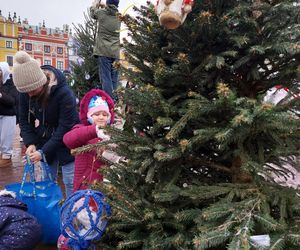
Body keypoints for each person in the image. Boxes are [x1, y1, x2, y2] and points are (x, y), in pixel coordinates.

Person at [12, 51, 80, 198]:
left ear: (41, 82)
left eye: (32, 90)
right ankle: (51, 211)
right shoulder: (25, 91)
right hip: (45, 135)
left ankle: (72, 212)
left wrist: (42, 151)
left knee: (70, 181)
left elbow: (65, 127)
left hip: (69, 139)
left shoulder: (64, 94)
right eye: (25, 91)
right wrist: (30, 143)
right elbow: (24, 120)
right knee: (46, 181)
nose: (29, 95)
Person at [63, 89, 122, 191]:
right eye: (97, 114)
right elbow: (68, 140)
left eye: (104, 115)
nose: (101, 117)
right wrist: (94, 130)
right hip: (84, 186)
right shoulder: (81, 129)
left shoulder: (111, 135)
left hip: (103, 187)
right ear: (89, 115)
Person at [90, 0, 121, 101]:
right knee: (114, 79)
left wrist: (95, 4)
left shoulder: (102, 13)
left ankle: (109, 102)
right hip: (115, 52)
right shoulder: (119, 17)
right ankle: (115, 102)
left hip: (103, 51)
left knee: (106, 78)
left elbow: (93, 14)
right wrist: (105, 6)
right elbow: (110, 10)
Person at [0, 62, 19, 165]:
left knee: (6, 137)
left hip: (8, 115)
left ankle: (7, 156)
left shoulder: (12, 84)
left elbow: (12, 101)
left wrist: (1, 95)